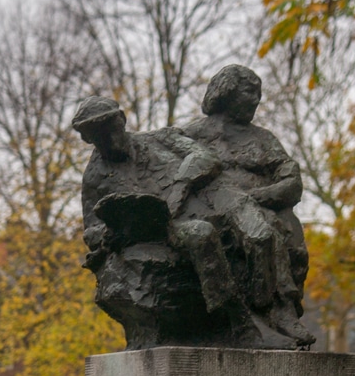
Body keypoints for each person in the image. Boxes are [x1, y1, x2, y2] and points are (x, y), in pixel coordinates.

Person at [72, 96, 294, 347]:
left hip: (201, 204)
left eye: (112, 131)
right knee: (200, 234)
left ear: (122, 121)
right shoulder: (94, 177)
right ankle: (239, 323)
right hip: (158, 232)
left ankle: (272, 311)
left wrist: (179, 184)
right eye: (100, 137)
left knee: (259, 234)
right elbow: (90, 229)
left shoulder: (160, 139)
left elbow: (206, 157)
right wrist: (110, 232)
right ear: (88, 140)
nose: (110, 142)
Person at [183, 64, 314, 347]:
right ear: (226, 92)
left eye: (259, 93)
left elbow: (291, 180)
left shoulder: (263, 139)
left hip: (262, 205)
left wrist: (259, 197)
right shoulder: (190, 136)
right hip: (214, 210)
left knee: (290, 231)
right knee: (265, 229)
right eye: (249, 91)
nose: (256, 99)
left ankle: (285, 310)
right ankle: (271, 310)